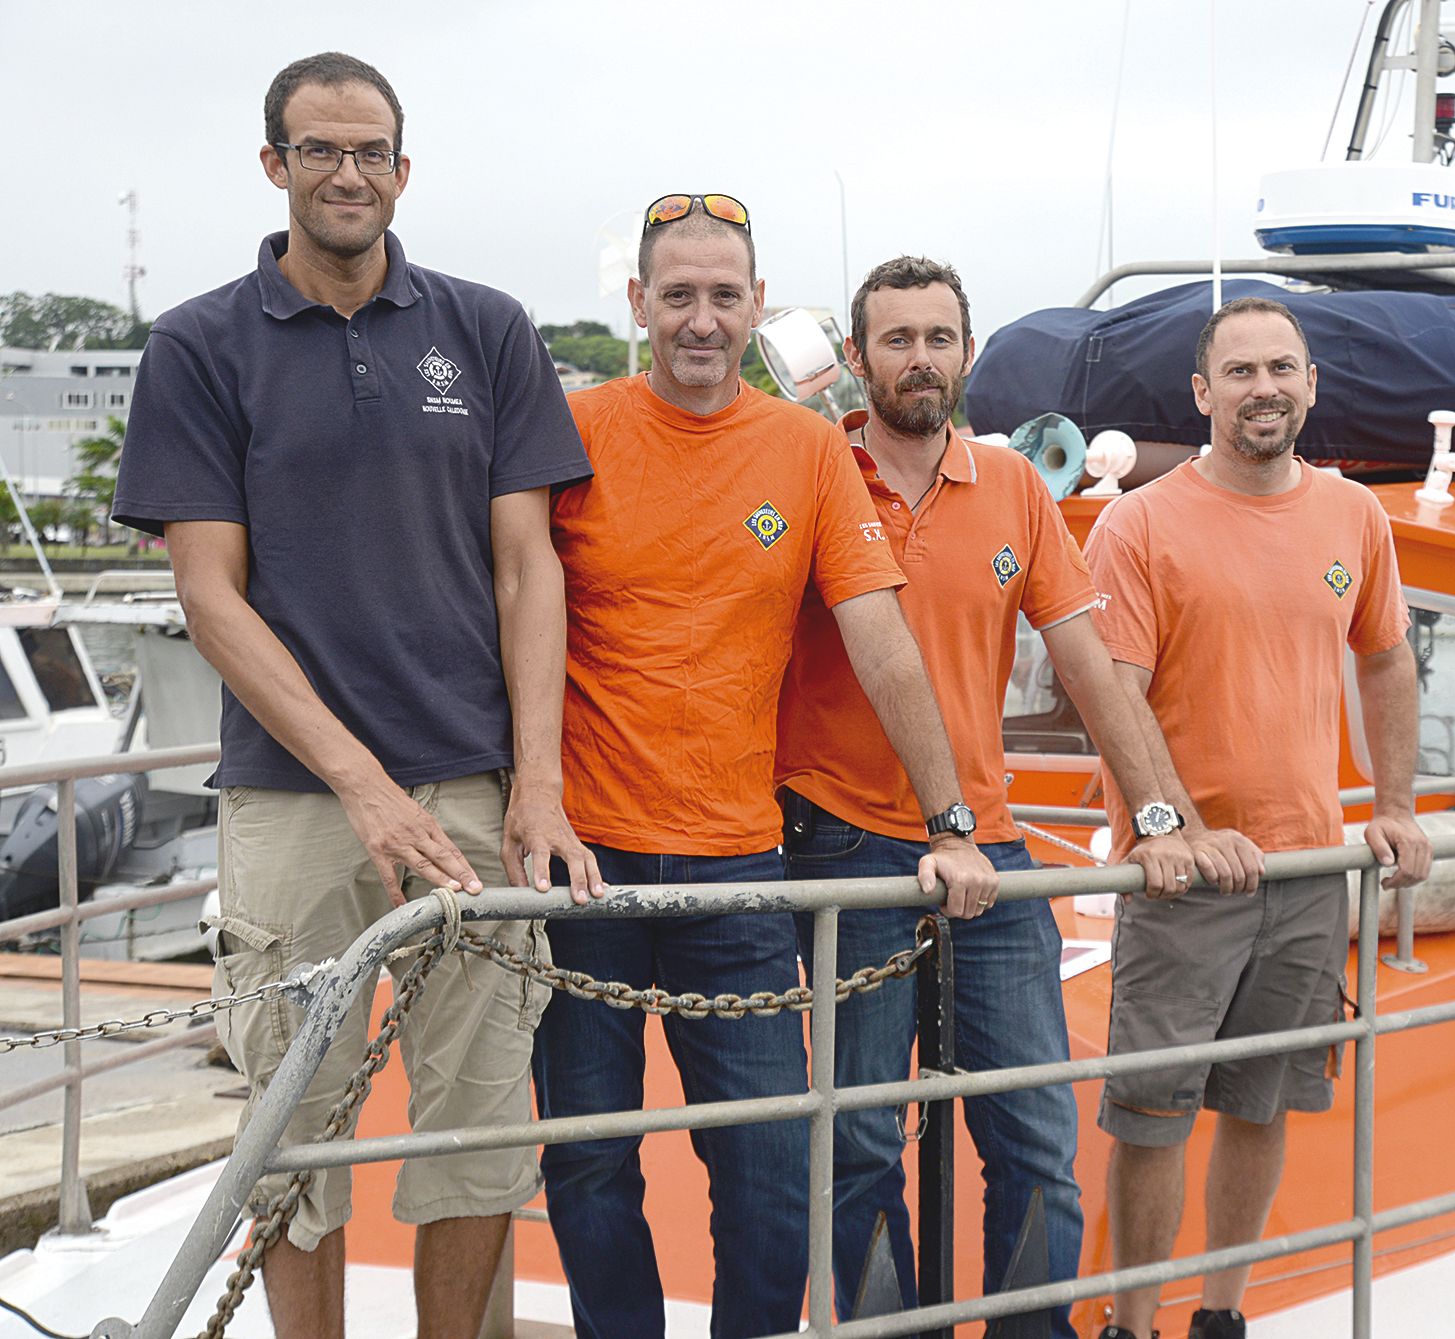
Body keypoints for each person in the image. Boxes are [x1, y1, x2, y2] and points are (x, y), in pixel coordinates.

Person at [111, 53, 596, 1339]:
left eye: (369, 150)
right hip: (294, 797)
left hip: (478, 789)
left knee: (480, 1131)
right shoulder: (200, 344)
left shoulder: (484, 327)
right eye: (319, 150)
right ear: (274, 166)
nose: (347, 173)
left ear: (403, 167)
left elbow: (525, 561)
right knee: (293, 1135)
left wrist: (536, 784)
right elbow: (212, 597)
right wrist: (363, 786)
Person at [534, 197, 997, 1339]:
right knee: (589, 1169)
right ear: (637, 304)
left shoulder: (803, 450)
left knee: (771, 1179)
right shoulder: (566, 432)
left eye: (724, 296)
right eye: (677, 295)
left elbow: (878, 635)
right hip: (576, 869)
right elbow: (499, 610)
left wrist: (949, 818)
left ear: (755, 307)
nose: (701, 319)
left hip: (737, 871)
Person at [774, 256, 1200, 1334]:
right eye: (896, 339)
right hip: (841, 839)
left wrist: (1154, 815)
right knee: (862, 1136)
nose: (920, 358)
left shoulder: (1014, 486)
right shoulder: (812, 471)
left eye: (938, 338)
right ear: (861, 357)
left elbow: (1091, 666)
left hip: (993, 846)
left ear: (967, 352)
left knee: (1035, 1135)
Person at [1084, 295, 1434, 1339]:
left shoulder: (1353, 516)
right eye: (1238, 371)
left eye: (1281, 367)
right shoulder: (1136, 523)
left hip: (1305, 873)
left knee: (1261, 1101)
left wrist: (1399, 807)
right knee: (1149, 1116)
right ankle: (1130, 1324)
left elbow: (1384, 659)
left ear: (1310, 382)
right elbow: (1114, 695)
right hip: (1180, 880)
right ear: (1201, 393)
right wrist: (1172, 828)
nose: (1263, 387)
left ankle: (1219, 1317)